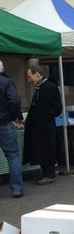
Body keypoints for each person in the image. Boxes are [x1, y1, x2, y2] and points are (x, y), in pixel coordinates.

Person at [23, 66, 62, 185]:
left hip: (45, 126)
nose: (29, 80)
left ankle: (50, 174)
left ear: (38, 74)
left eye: (30, 77)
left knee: (47, 149)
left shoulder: (50, 87)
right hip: (38, 126)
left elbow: (57, 108)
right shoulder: (39, 88)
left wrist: (44, 116)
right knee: (40, 149)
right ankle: (45, 172)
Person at [0, 60, 24, 198]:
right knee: (13, 156)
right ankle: (16, 189)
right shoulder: (6, 82)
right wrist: (15, 117)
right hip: (5, 122)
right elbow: (14, 101)